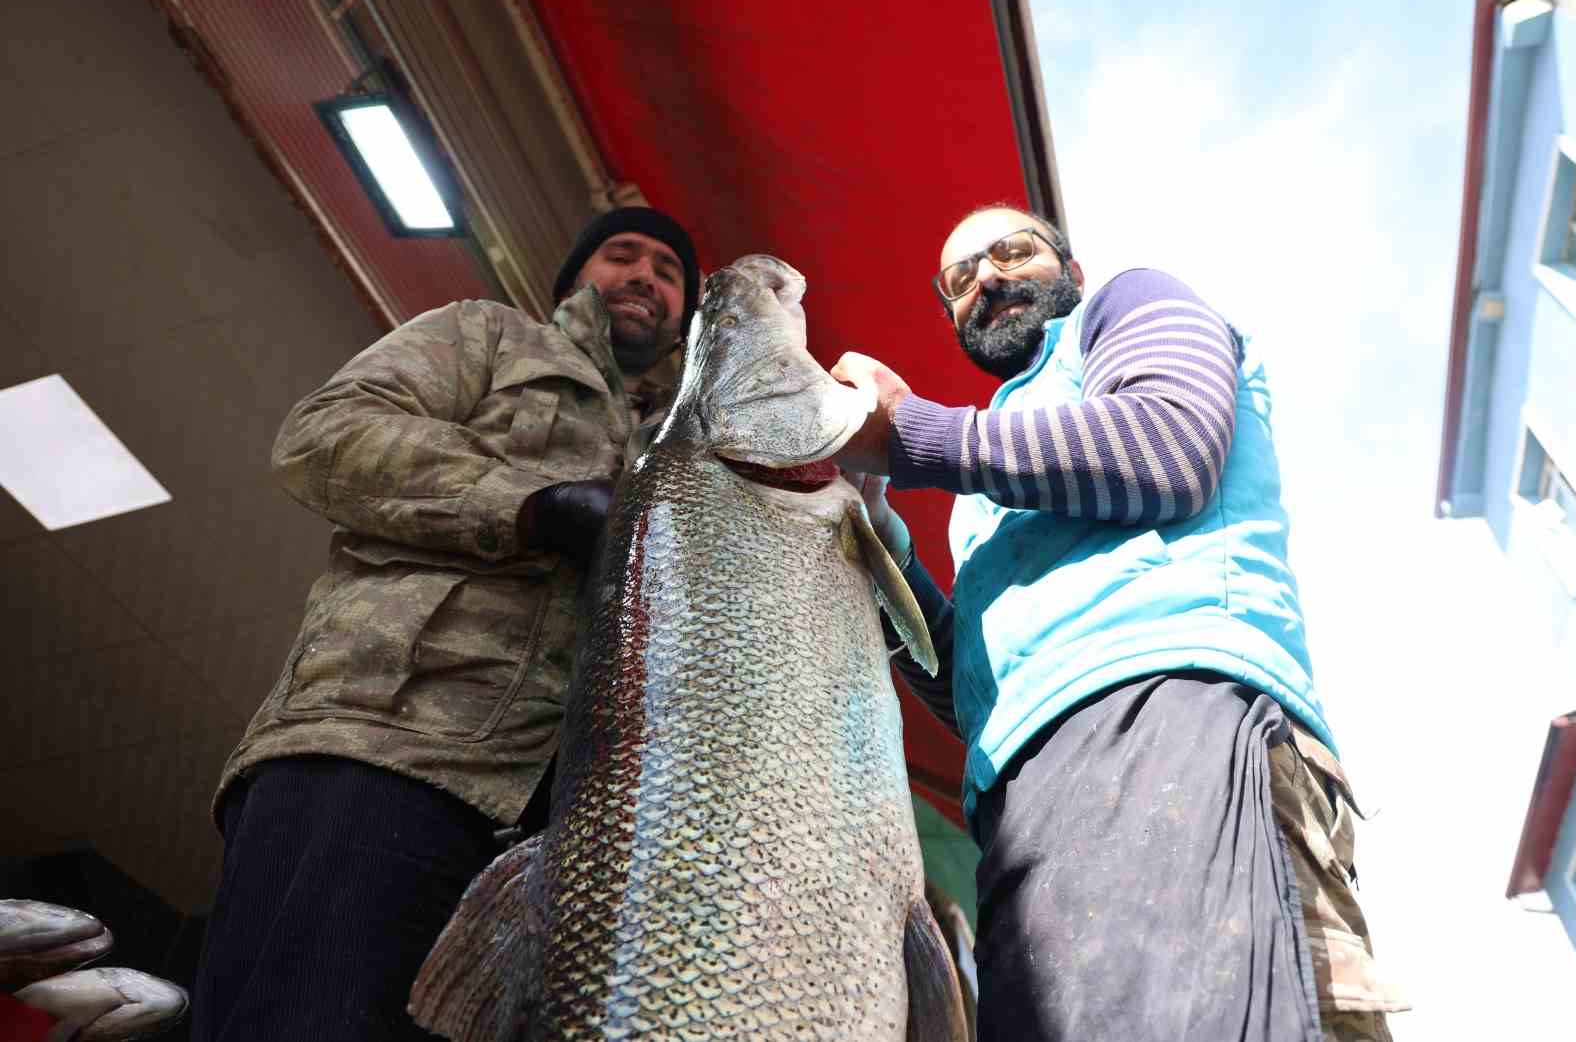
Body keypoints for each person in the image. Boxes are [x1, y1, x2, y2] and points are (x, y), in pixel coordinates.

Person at [831, 203, 1407, 1041]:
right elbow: (974, 689)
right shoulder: (987, 483)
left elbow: (1169, 448)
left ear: (1073, 271)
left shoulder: (1128, 307)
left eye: (1012, 252)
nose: (986, 279)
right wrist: (878, 539)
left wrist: (913, 435)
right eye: (960, 280)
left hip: (1181, 715)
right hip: (1020, 806)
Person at [190, 207, 699, 1041]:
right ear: (574, 279)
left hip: (564, 828)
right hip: (387, 742)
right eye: (623, 255)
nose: (647, 275)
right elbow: (324, 438)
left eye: (669, 273)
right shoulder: (486, 335)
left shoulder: (678, 442)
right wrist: (532, 505)